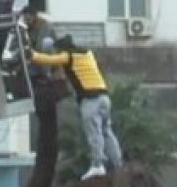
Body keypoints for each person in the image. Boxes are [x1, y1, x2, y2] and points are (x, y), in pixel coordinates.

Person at [28, 34, 123, 179]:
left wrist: (29, 53)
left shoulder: (68, 56)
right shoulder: (87, 54)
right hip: (104, 97)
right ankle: (118, 164)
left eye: (58, 50)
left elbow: (47, 60)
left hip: (90, 100)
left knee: (94, 133)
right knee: (106, 132)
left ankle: (98, 165)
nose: (58, 53)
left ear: (63, 49)